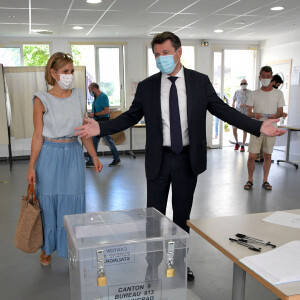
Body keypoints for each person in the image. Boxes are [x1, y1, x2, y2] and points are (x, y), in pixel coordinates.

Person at [74, 32, 285, 280]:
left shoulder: (199, 82)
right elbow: (130, 116)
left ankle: (180, 263)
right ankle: (152, 265)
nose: (161, 58)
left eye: (165, 53)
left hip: (187, 159)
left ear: (178, 52)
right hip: (158, 160)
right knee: (154, 217)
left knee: (182, 217)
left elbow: (223, 111)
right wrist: (101, 127)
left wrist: (257, 127)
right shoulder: (148, 86)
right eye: (156, 54)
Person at [26, 52, 103, 266]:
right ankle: (47, 248)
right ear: (53, 73)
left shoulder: (79, 96)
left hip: (72, 154)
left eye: (72, 71)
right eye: (65, 71)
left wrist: (94, 156)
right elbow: (37, 135)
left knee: (74, 203)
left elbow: (83, 130)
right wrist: (31, 166)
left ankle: (72, 246)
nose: (70, 75)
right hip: (49, 155)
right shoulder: (41, 99)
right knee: (49, 204)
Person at [244, 66, 285, 191]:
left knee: (268, 155)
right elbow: (248, 113)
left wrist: (276, 115)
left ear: (272, 77)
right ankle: (250, 179)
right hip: (256, 127)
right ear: (259, 77)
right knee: (252, 156)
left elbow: (280, 112)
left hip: (271, 128)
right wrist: (254, 115)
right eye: (263, 76)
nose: (266, 79)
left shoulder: (278, 94)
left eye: (268, 76)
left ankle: (265, 180)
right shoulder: (254, 93)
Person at [86, 82, 121, 167]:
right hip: (97, 122)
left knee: (108, 140)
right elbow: (97, 110)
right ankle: (91, 160)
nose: (89, 92)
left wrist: (94, 114)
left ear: (94, 89)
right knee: (94, 141)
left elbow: (107, 111)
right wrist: (92, 114)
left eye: (90, 90)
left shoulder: (103, 96)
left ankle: (116, 158)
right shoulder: (96, 98)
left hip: (103, 122)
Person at [232, 79, 251, 152]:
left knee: (245, 129)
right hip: (237, 113)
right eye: (242, 83)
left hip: (246, 113)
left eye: (244, 83)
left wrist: (246, 105)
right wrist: (233, 106)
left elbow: (252, 103)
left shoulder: (250, 93)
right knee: (234, 128)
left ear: (247, 84)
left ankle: (243, 145)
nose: (243, 84)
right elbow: (233, 100)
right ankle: (237, 143)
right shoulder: (237, 92)